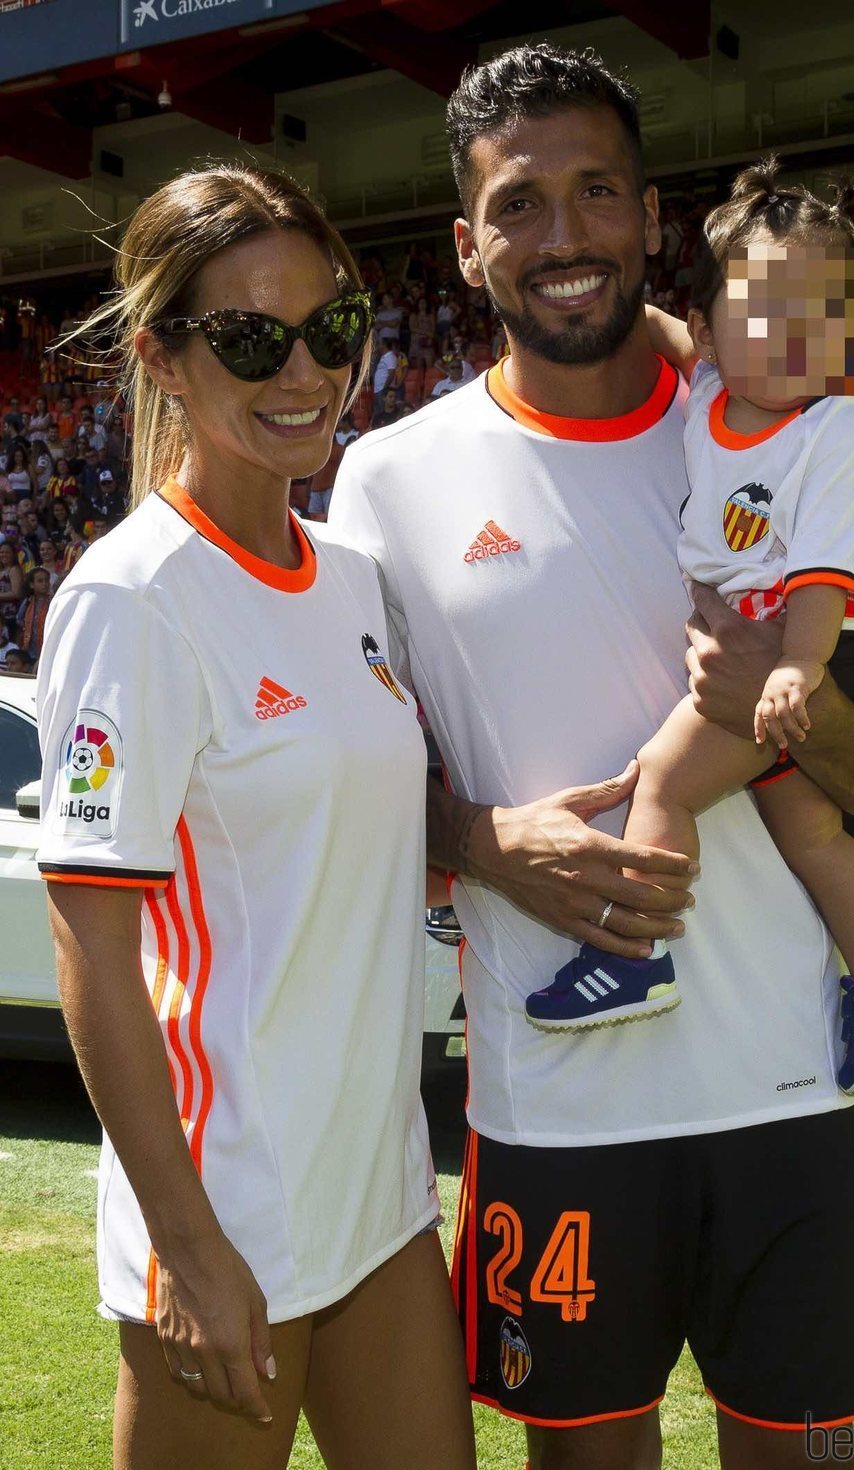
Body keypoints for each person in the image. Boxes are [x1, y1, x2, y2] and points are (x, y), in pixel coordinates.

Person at [330, 43, 854, 1470]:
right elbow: (345, 785)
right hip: (554, 1102)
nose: (564, 235)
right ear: (466, 243)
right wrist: (483, 843)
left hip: (789, 1091)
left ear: (653, 216)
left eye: (597, 191)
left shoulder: (785, 432)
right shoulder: (389, 482)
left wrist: (794, 706)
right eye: (521, 202)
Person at [35, 163, 476, 1470]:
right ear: (164, 355)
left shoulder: (348, 576)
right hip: (231, 1210)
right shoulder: (133, 599)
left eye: (331, 327)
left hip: (381, 1187)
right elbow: (93, 952)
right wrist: (186, 1242)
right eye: (249, 336)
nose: (304, 370)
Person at [523, 160, 854, 1090]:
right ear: (718, 332)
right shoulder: (714, 397)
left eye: (824, 314)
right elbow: (677, 337)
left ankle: (636, 955)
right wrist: (621, 301)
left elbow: (829, 575)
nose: (798, 337)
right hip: (777, 648)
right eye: (768, 314)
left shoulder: (833, 431)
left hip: (815, 648)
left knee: (665, 789)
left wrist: (794, 671)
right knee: (809, 834)